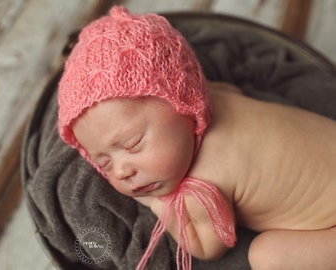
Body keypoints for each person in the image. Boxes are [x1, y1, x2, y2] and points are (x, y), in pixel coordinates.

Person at [58, 5, 336, 270]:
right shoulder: (216, 94)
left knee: (267, 256)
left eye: (133, 144)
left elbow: (208, 248)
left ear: (185, 106)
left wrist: (157, 202)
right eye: (103, 163)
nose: (121, 170)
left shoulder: (200, 187)